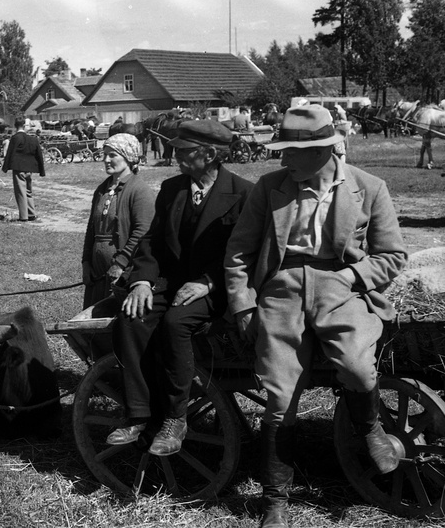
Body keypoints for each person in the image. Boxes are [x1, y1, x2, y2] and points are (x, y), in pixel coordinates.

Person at [224, 104, 407, 528]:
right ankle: (275, 502)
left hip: (342, 289)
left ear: (323, 151)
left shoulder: (369, 187)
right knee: (279, 398)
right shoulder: (270, 187)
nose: (282, 159)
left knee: (360, 370)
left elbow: (393, 255)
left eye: (290, 151)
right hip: (282, 290)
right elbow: (238, 253)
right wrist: (244, 305)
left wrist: (351, 278)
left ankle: (371, 429)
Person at [107, 120, 253, 456]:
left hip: (218, 289)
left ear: (211, 154)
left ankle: (175, 418)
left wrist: (208, 282)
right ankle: (139, 414)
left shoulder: (244, 193)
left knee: (176, 323)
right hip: (172, 283)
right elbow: (153, 242)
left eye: (184, 151)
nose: (175, 156)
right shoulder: (174, 189)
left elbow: (247, 252)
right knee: (131, 318)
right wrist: (142, 281)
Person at [82, 133, 155, 308]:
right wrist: (86, 263)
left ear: (128, 157)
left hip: (122, 270)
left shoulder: (139, 190)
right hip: (97, 270)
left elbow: (142, 231)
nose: (106, 159)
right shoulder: (102, 189)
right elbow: (91, 229)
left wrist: (120, 263)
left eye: (113, 155)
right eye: (104, 154)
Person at [2, 116, 45, 222]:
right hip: (30, 169)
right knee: (28, 191)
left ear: (15, 126)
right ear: (24, 125)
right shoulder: (32, 139)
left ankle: (24, 216)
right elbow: (39, 154)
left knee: (20, 192)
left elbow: (10, 153)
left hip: (19, 168)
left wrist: (5, 167)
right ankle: (32, 213)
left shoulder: (16, 138)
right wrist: (41, 170)